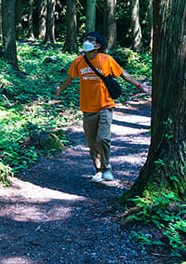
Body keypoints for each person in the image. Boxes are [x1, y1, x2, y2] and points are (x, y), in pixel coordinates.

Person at [54, 32, 152, 182]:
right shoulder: (79, 61)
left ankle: (106, 169)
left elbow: (123, 74)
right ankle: (98, 170)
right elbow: (69, 78)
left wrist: (140, 86)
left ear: (98, 46)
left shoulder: (107, 60)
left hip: (105, 106)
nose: (87, 41)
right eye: (86, 39)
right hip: (87, 108)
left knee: (103, 138)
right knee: (92, 143)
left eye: (91, 40)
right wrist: (60, 90)